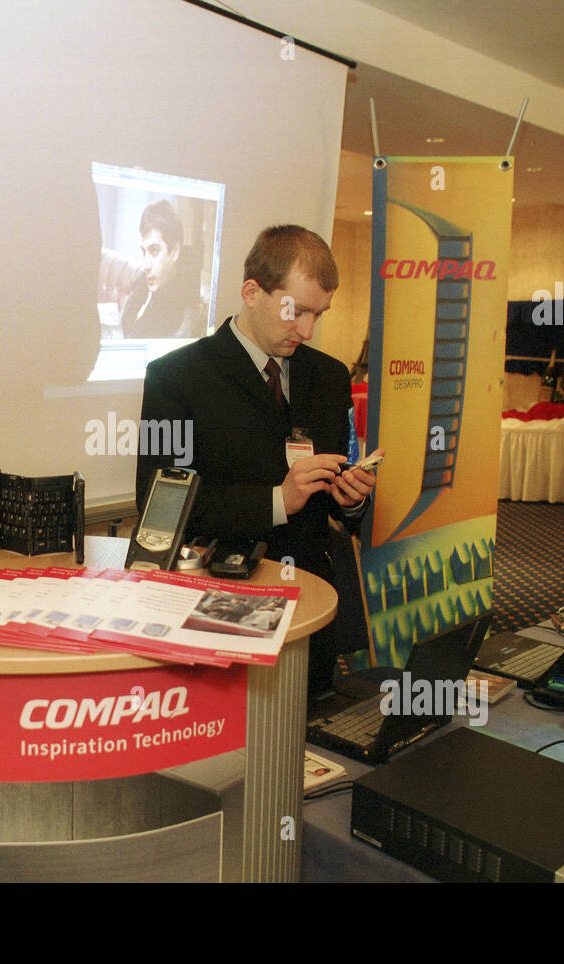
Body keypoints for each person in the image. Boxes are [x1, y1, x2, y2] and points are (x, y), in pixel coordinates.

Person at [136, 225, 381, 699]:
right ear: (252, 292)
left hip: (313, 609)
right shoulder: (177, 378)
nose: (307, 331)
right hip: (223, 612)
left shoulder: (330, 378)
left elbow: (338, 505)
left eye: (318, 315)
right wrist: (276, 500)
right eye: (297, 311)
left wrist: (350, 502)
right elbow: (160, 503)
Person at [120, 199, 202, 339]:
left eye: (154, 251)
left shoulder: (181, 316)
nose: (146, 265)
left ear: (174, 251)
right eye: (144, 252)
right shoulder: (141, 289)